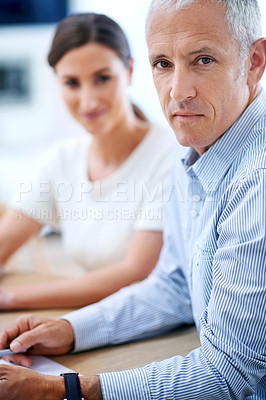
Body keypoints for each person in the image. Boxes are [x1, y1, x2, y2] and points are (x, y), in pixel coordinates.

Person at [1, 0, 266, 398]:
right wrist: (72, 329)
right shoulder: (192, 152)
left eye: (204, 59)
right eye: (163, 63)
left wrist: (66, 389)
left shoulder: (256, 180)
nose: (178, 91)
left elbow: (232, 374)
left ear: (255, 61)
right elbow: (174, 283)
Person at [0, 13, 176, 309]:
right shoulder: (63, 159)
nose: (89, 100)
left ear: (130, 71)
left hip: (154, 324)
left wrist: (9, 298)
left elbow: (135, 273)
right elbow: (5, 241)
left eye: (102, 78)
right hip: (94, 319)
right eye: (71, 83)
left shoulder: (169, 154)